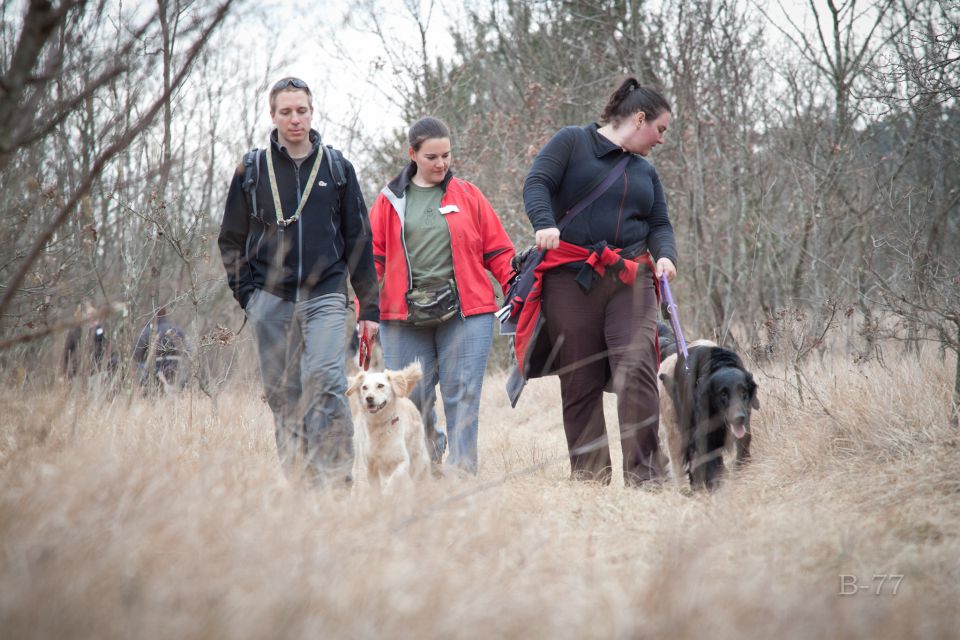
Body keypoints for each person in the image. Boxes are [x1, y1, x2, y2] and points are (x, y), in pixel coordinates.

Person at [218, 77, 380, 488]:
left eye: (302, 110)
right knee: (284, 393)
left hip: (325, 293)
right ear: (272, 116)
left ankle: (338, 477)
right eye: (286, 111)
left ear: (312, 111)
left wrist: (369, 308)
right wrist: (249, 297)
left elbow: (359, 239)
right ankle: (300, 481)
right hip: (270, 298)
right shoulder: (252, 169)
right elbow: (231, 239)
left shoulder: (337, 167)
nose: (295, 119)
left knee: (325, 378)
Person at [520, 77, 678, 487]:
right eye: (660, 129)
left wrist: (665, 255)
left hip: (630, 278)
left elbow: (659, 223)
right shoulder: (574, 141)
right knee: (579, 379)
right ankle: (590, 480)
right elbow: (537, 183)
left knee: (638, 368)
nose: (661, 140)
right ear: (639, 118)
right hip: (570, 277)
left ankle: (646, 477)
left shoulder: (646, 170)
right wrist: (544, 224)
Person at [368, 116, 515, 475]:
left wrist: (515, 288)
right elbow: (372, 259)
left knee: (462, 393)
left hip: (466, 313)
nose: (441, 164)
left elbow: (497, 250)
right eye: (432, 157)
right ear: (412, 154)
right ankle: (428, 453)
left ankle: (462, 473)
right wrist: (365, 309)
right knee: (411, 397)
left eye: (446, 155)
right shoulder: (389, 201)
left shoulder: (468, 195)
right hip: (403, 316)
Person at [133, 305, 189, 392]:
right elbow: (188, 351)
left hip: (155, 372)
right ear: (165, 314)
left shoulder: (147, 331)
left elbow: (137, 354)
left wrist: (143, 364)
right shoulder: (177, 330)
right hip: (178, 371)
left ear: (153, 315)